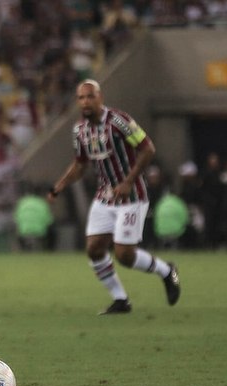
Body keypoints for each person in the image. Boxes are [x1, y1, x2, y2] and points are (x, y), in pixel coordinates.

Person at [47, 79, 180, 315]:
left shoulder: (119, 121)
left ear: (100, 97)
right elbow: (80, 164)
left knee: (124, 255)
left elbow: (148, 148)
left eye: (90, 96)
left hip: (132, 196)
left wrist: (128, 181)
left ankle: (167, 271)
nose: (85, 102)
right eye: (81, 98)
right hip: (104, 197)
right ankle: (121, 299)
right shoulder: (80, 130)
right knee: (94, 249)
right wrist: (58, 187)